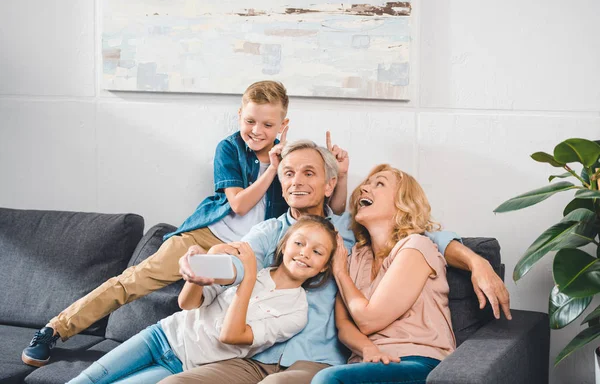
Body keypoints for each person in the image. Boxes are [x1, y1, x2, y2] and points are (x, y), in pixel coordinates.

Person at [22, 81, 346, 367]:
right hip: (204, 236)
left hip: (242, 253)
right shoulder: (231, 148)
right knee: (131, 282)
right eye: (250, 121)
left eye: (267, 124)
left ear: (282, 125)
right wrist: (272, 169)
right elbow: (238, 203)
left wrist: (337, 174)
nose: (257, 131)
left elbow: (324, 211)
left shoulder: (289, 164)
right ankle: (54, 329)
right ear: (239, 117)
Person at [160, 140, 510, 384]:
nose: (297, 181)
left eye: (309, 174)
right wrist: (206, 268)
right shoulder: (338, 248)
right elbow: (240, 259)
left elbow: (427, 239)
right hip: (260, 356)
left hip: (349, 360)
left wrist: (477, 261)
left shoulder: (356, 240)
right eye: (289, 174)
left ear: (328, 185)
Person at [67, 215, 338, 384]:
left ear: (325, 265)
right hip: (161, 336)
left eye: (317, 251)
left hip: (185, 364)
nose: (304, 253)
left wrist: (249, 279)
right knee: (88, 379)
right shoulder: (242, 269)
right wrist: (197, 273)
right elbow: (187, 303)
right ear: (284, 246)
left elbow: (231, 335)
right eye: (299, 243)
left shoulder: (296, 310)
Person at [312, 165, 456, 384]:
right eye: (365, 184)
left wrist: (340, 272)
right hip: (366, 363)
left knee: (328, 379)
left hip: (420, 363)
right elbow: (343, 324)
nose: (365, 189)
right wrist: (368, 349)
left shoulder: (416, 247)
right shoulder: (356, 258)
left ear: (402, 202)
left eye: (379, 183)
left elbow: (369, 320)